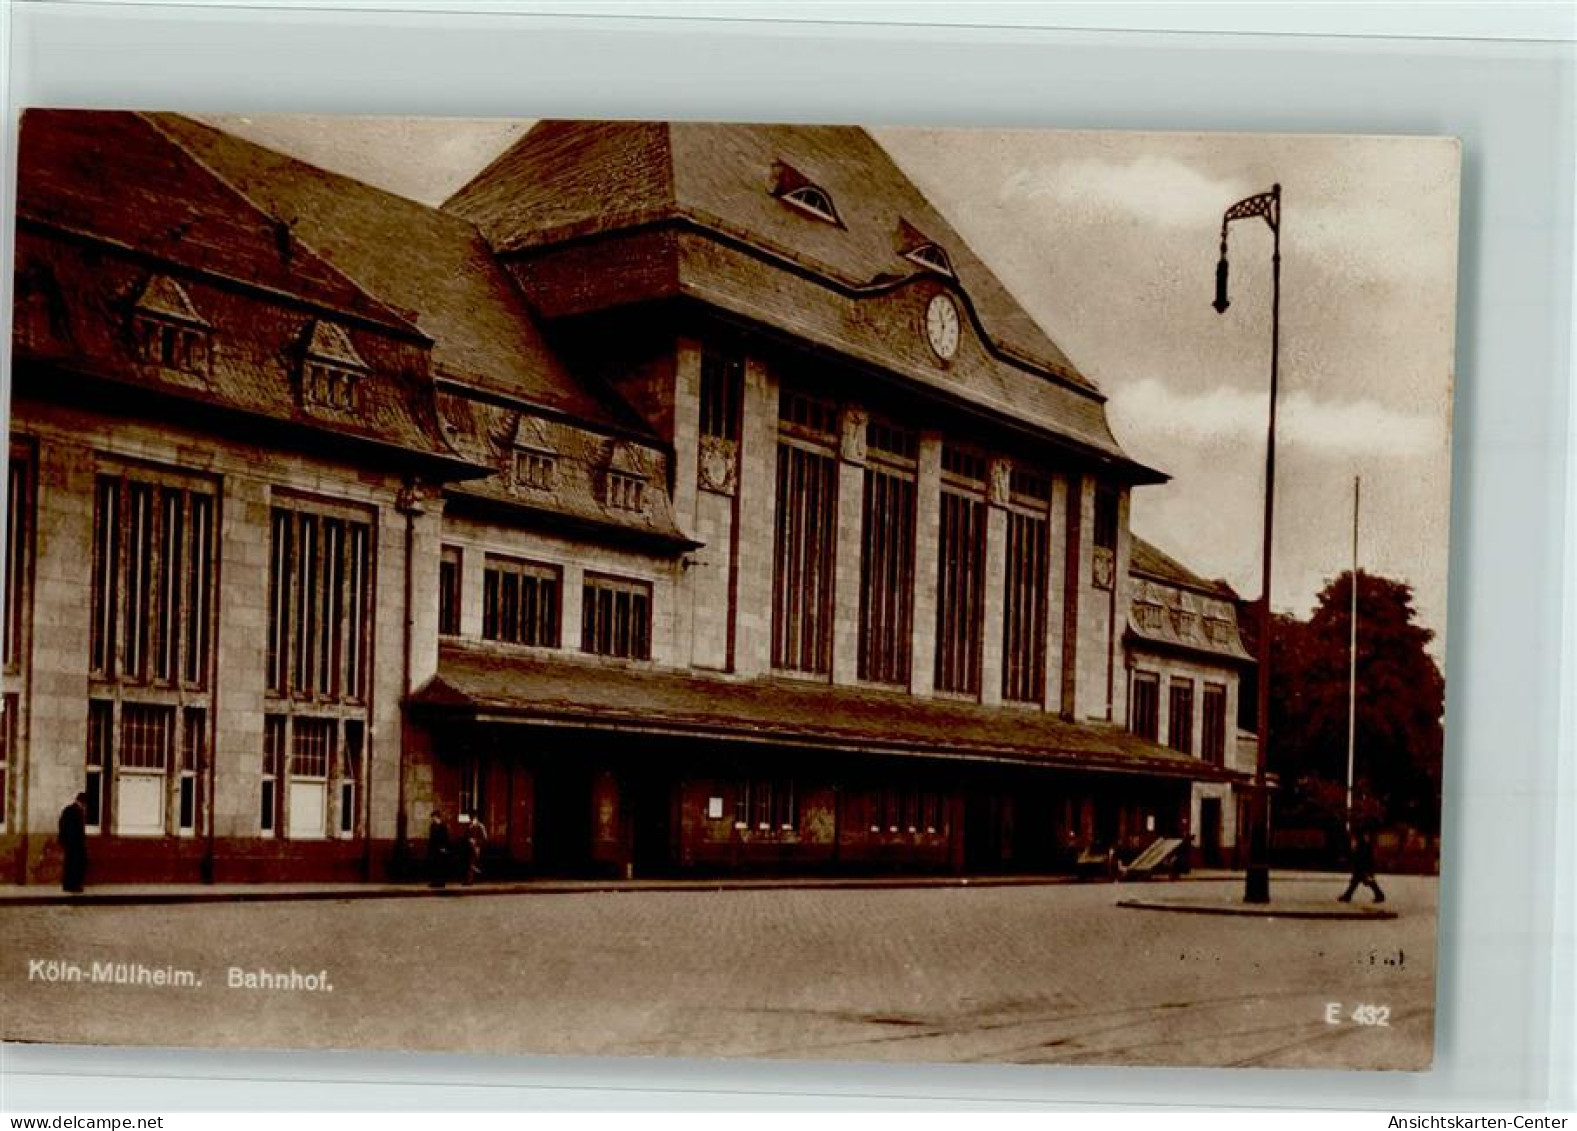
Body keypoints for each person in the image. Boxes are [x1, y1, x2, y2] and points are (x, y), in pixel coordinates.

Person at [1339, 826, 1386, 904]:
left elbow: (1362, 854)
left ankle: (1348, 896)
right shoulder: (1361, 841)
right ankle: (1348, 896)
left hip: (1363, 864)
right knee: (1358, 881)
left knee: (1361, 880)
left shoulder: (1361, 841)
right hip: (1362, 864)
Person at [58, 792, 88, 894]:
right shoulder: (72, 810)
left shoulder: (73, 810)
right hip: (73, 843)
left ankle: (72, 884)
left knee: (74, 864)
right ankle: (72, 885)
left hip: (74, 843)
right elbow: (64, 826)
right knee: (73, 864)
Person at [426, 808, 451, 889]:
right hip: (434, 849)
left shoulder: (443, 826)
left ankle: (441, 882)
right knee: (434, 866)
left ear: (438, 817)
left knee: (441, 866)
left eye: (434, 817)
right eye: (432, 818)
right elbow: (431, 838)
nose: (433, 819)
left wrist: (444, 848)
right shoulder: (432, 826)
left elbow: (446, 838)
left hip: (441, 850)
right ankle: (434, 882)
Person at [463, 811, 488, 886]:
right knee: (469, 864)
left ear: (475, 819)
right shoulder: (469, 826)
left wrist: (476, 841)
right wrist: (468, 840)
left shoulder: (480, 826)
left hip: (476, 847)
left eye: (472, 819)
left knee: (471, 864)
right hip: (469, 847)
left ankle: (470, 880)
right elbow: (466, 835)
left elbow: (484, 838)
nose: (471, 821)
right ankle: (469, 879)